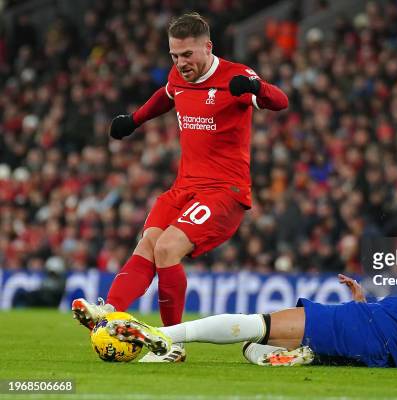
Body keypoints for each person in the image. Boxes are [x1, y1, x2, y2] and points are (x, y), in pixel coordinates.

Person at [105, 204, 397, 372]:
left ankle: (160, 336)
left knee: (258, 323)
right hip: (377, 332)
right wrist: (366, 300)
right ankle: (307, 356)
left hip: (374, 332)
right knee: (253, 348)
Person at [71, 12, 288, 362]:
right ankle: (108, 313)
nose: (181, 63)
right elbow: (167, 95)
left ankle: (172, 343)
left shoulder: (236, 76)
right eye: (174, 56)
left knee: (168, 247)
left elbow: (281, 100)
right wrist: (134, 121)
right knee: (149, 243)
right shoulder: (179, 76)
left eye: (187, 55)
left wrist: (255, 88)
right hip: (184, 186)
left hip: (225, 192)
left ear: (208, 47)